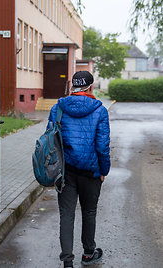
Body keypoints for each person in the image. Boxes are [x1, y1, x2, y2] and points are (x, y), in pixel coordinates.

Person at [47, 71, 111, 267]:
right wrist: (104, 170)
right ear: (91, 87)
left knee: (66, 215)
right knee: (89, 212)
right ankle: (88, 253)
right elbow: (102, 146)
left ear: (72, 86)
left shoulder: (58, 108)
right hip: (91, 171)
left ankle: (67, 262)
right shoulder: (100, 111)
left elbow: (50, 139)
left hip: (65, 172)